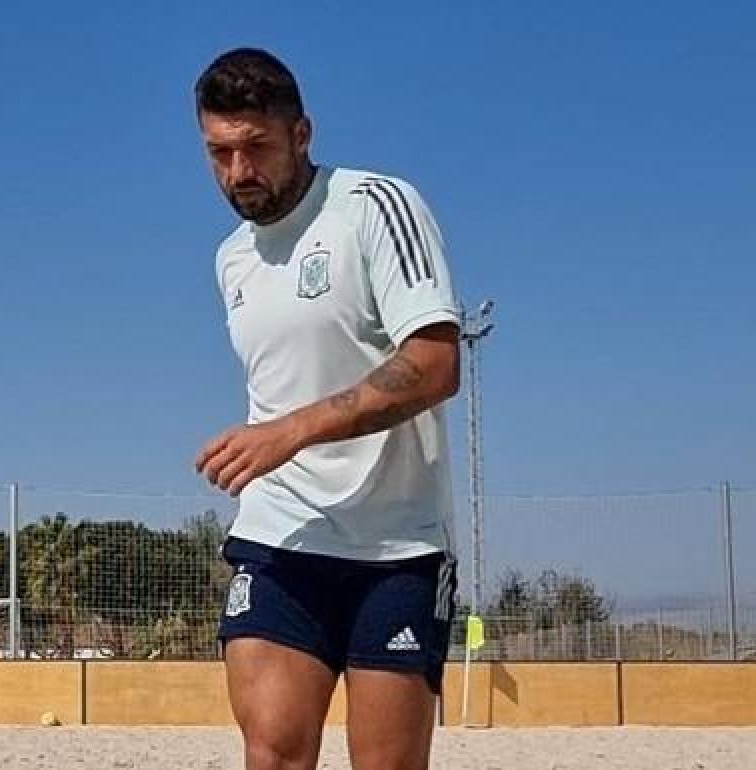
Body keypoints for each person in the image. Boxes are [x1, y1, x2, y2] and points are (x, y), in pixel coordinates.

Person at [193, 48, 461, 770]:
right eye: (220, 153)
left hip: (394, 547)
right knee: (273, 750)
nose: (238, 172)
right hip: (281, 536)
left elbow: (437, 364)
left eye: (257, 148)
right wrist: (274, 445)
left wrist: (292, 430)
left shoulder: (375, 207)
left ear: (302, 134)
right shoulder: (231, 259)